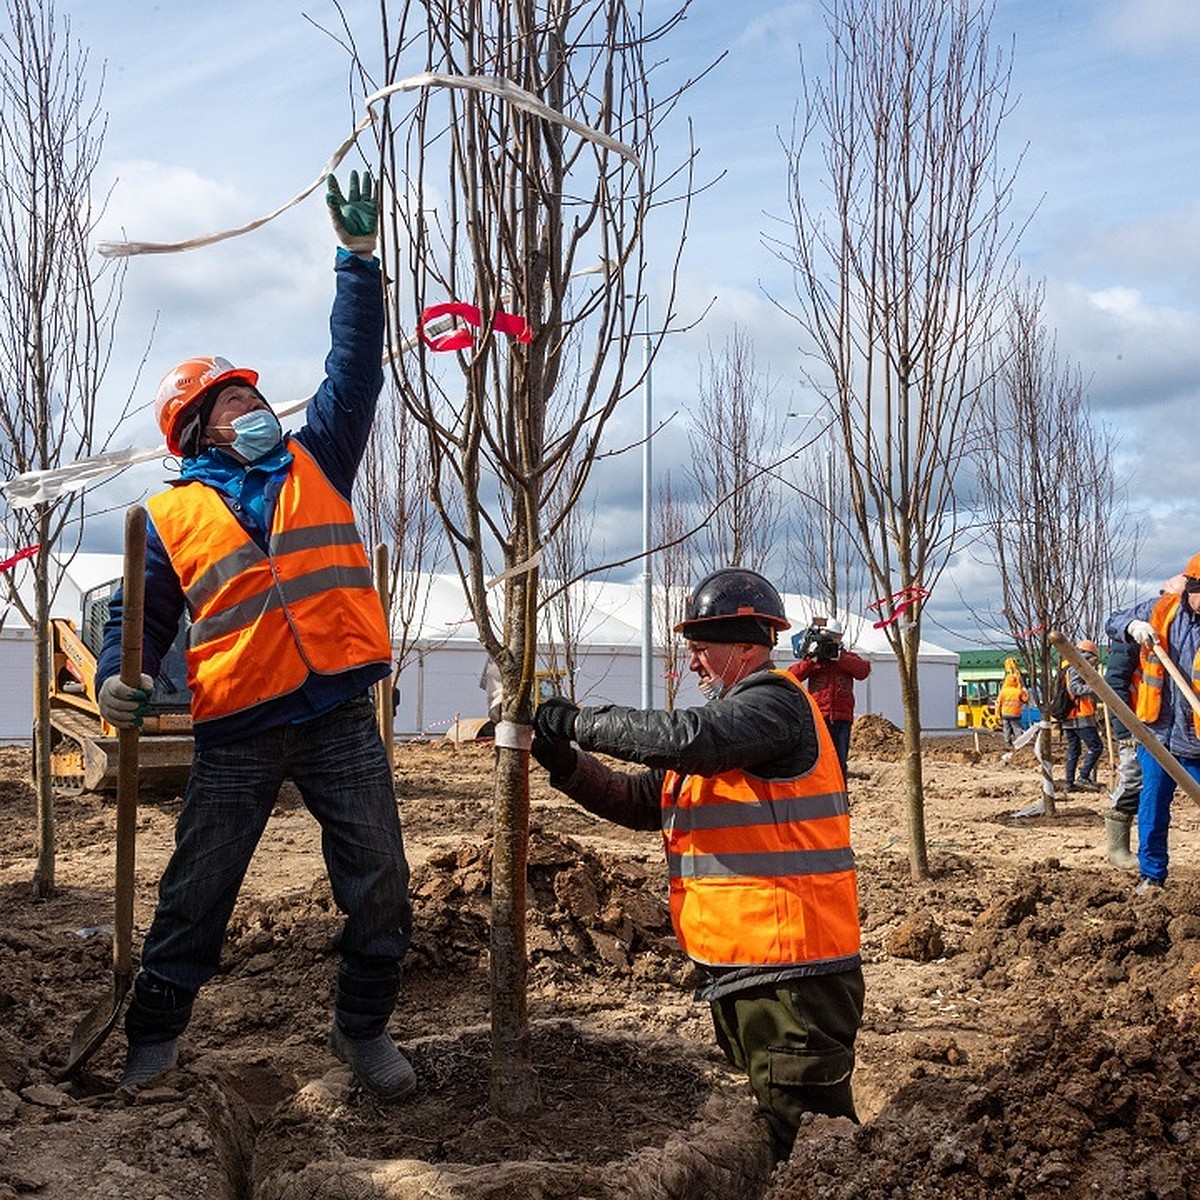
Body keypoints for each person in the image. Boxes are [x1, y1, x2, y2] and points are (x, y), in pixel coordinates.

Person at [95, 171, 416, 1097]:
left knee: (381, 884)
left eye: (252, 395)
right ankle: (152, 1037)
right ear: (198, 430)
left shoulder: (318, 456)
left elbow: (355, 368)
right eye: (235, 401)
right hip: (236, 729)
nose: (255, 408)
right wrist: (123, 679)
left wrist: (359, 264)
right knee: (197, 893)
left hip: (340, 714)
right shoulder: (166, 516)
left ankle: (361, 1031)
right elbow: (137, 623)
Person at [531, 567, 863, 1163]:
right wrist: (565, 763)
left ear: (744, 645)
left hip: (793, 974)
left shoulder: (773, 706)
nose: (691, 664)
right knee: (788, 1136)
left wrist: (580, 720)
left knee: (819, 1149)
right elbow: (639, 800)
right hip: (749, 970)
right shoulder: (730, 728)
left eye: (699, 649)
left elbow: (692, 739)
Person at [1107, 558, 1200, 895]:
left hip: (1197, 739)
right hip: (1158, 736)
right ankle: (1151, 876)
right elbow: (1113, 621)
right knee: (1152, 808)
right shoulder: (1162, 611)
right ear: (1190, 589)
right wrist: (1132, 625)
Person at [787, 618, 871, 779]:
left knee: (839, 761)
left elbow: (863, 671)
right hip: (818, 717)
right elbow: (792, 675)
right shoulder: (814, 661)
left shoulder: (847, 658)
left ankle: (840, 797)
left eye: (834, 636)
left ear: (840, 638)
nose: (831, 641)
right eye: (828, 636)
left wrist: (839, 658)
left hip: (841, 718)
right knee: (817, 760)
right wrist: (812, 660)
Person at [1102, 637, 1141, 870]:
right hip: (1136, 724)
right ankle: (1117, 850)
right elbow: (1114, 685)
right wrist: (1125, 728)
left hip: (1166, 724)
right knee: (1133, 781)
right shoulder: (1132, 634)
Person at [1061, 639, 1102, 793]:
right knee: (1096, 747)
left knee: (1074, 750)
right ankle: (1083, 776)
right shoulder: (1077, 667)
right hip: (1080, 715)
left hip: (1068, 715)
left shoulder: (1066, 667)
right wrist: (1096, 686)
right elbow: (1075, 688)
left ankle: (1069, 783)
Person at [994, 662, 1030, 746]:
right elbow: (1025, 700)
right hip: (1015, 713)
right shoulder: (1018, 691)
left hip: (1005, 713)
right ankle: (1020, 742)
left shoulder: (1003, 692)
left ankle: (1007, 741)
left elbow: (998, 703)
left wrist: (998, 713)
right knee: (1017, 728)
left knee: (1006, 728)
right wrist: (1025, 692)